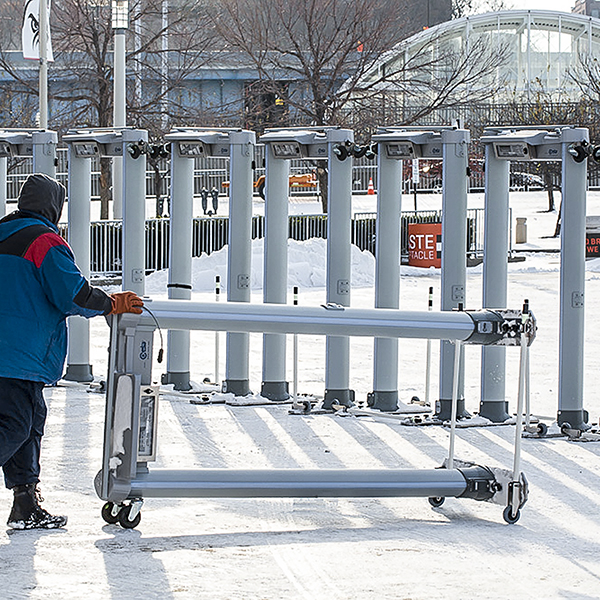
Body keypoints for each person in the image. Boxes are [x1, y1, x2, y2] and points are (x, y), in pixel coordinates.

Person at [0, 173, 144, 530]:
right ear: (54, 207)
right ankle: (25, 501)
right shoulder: (43, 241)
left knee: (29, 423)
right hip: (18, 355)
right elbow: (71, 293)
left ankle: (25, 503)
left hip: (12, 355)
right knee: (16, 426)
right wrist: (110, 303)